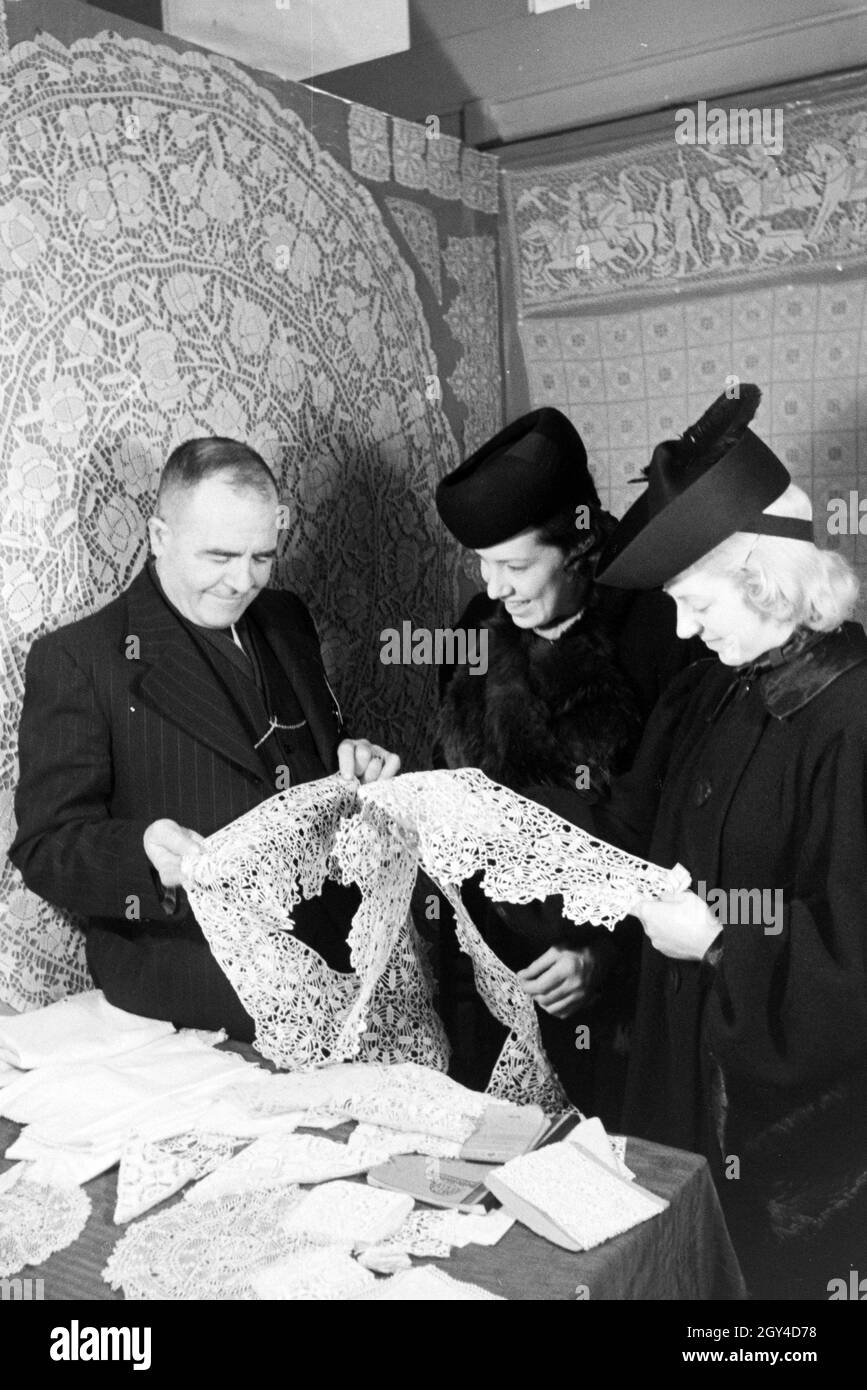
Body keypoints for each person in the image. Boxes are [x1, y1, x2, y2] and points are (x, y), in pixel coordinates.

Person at [550, 383, 867, 1298]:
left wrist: (721, 941)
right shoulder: (709, 687)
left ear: (767, 579)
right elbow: (622, 826)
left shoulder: (853, 716)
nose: (682, 630)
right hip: (676, 1079)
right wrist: (480, 813)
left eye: (696, 603)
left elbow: (856, 956)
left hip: (794, 1147)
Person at [9, 438, 400, 1040]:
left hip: (342, 963)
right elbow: (44, 848)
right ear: (159, 536)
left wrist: (354, 760)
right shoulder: (79, 660)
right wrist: (143, 851)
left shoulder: (287, 617)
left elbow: (310, 752)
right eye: (219, 555)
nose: (243, 582)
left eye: (262, 557)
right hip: (197, 986)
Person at [433, 407, 702, 1118]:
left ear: (580, 549)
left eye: (516, 566)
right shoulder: (474, 629)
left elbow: (681, 836)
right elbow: (458, 802)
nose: (494, 588)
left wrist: (601, 959)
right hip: (497, 987)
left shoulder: (666, 631)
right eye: (481, 565)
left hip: (621, 1001)